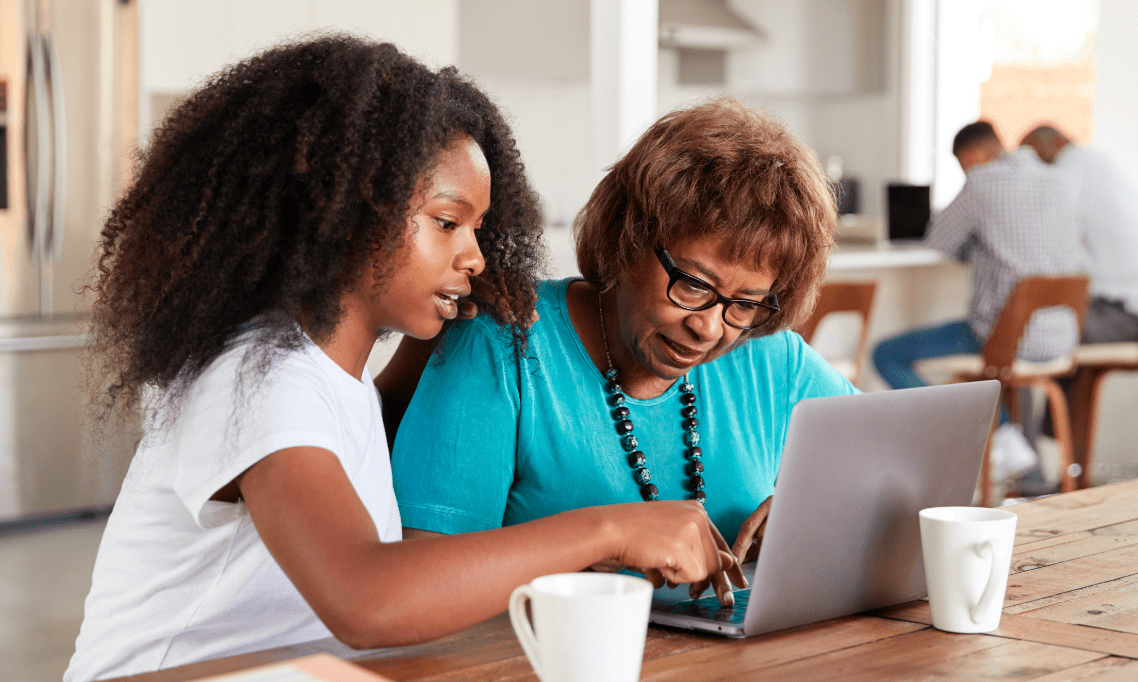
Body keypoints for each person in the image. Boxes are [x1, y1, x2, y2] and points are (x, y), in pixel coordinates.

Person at [65, 36, 742, 682]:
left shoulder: (339, 377)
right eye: (448, 223)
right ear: (345, 209)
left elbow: (380, 504)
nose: (475, 255)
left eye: (479, 228)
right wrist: (611, 529)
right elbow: (367, 597)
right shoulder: (255, 377)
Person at [390, 98, 856, 602]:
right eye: (695, 284)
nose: (709, 327)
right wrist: (600, 536)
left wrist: (824, 504)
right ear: (628, 238)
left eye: (745, 303)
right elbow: (424, 582)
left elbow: (908, 468)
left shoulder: (772, 359)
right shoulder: (504, 341)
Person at [871, 121, 1082, 480]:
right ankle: (1024, 468)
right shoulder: (1060, 180)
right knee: (1005, 368)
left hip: (1006, 336)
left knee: (886, 354)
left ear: (970, 157)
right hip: (1062, 336)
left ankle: (990, 433)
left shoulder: (981, 182)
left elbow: (939, 242)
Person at [1021, 124, 1138, 344]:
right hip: (1115, 306)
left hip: (1120, 310)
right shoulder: (1096, 163)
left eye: (1036, 157)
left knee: (1032, 334)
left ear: (1057, 143)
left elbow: (1049, 224)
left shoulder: (1074, 162)